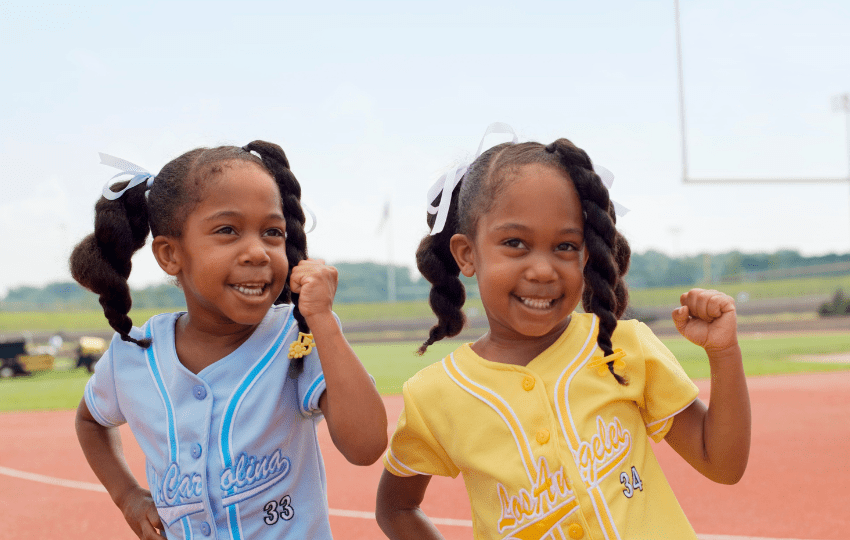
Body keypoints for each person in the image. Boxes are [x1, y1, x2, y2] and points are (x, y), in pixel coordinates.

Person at [375, 124, 751, 540]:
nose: (542, 269)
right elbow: (396, 507)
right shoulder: (435, 395)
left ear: (586, 255)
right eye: (515, 243)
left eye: (565, 246)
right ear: (467, 254)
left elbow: (723, 464)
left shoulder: (624, 346)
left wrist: (724, 352)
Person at [71, 141, 387, 540]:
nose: (257, 252)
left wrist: (323, 320)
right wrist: (128, 496)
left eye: (273, 232)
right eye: (227, 230)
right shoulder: (134, 353)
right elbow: (90, 420)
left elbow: (367, 446)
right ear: (170, 255)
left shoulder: (298, 337)